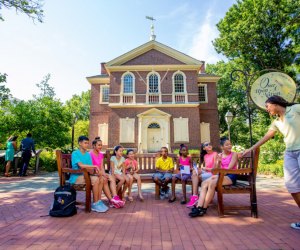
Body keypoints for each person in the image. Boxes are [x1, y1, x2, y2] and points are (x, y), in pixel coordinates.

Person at [243, 95, 300, 230]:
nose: (267, 110)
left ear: (274, 103)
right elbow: (266, 137)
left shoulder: (295, 108)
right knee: (292, 186)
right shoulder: (276, 122)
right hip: (290, 153)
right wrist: (250, 149)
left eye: (267, 107)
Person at [189, 137, 238, 217]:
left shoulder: (234, 154)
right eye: (227, 145)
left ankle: (203, 208)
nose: (229, 146)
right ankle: (199, 207)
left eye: (230, 144)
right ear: (222, 147)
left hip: (230, 176)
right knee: (204, 183)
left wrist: (217, 174)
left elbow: (228, 169)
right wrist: (218, 162)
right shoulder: (219, 155)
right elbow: (216, 170)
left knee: (212, 183)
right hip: (220, 175)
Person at [70, 136, 109, 213]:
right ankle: (95, 203)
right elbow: (81, 165)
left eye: (87, 143)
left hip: (86, 176)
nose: (87, 145)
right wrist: (95, 166)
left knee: (100, 178)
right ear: (80, 143)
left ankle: (98, 201)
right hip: (76, 177)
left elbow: (90, 169)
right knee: (95, 179)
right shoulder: (75, 153)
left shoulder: (88, 154)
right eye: (85, 143)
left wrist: (97, 172)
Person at [89, 137, 124, 209]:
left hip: (100, 173)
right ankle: (111, 200)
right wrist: (102, 174)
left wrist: (104, 174)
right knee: (104, 179)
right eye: (98, 145)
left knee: (110, 177)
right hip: (94, 174)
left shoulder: (101, 154)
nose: (100, 146)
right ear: (94, 146)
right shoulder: (90, 154)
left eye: (101, 145)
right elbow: (91, 167)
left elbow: (101, 167)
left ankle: (115, 197)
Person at [186, 141, 218, 208]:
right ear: (204, 148)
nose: (209, 145)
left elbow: (215, 169)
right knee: (195, 172)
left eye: (210, 144)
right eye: (207, 145)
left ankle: (197, 196)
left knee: (198, 177)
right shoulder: (205, 156)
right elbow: (207, 169)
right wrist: (200, 169)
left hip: (213, 174)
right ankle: (195, 196)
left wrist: (204, 168)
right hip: (208, 172)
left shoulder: (215, 154)